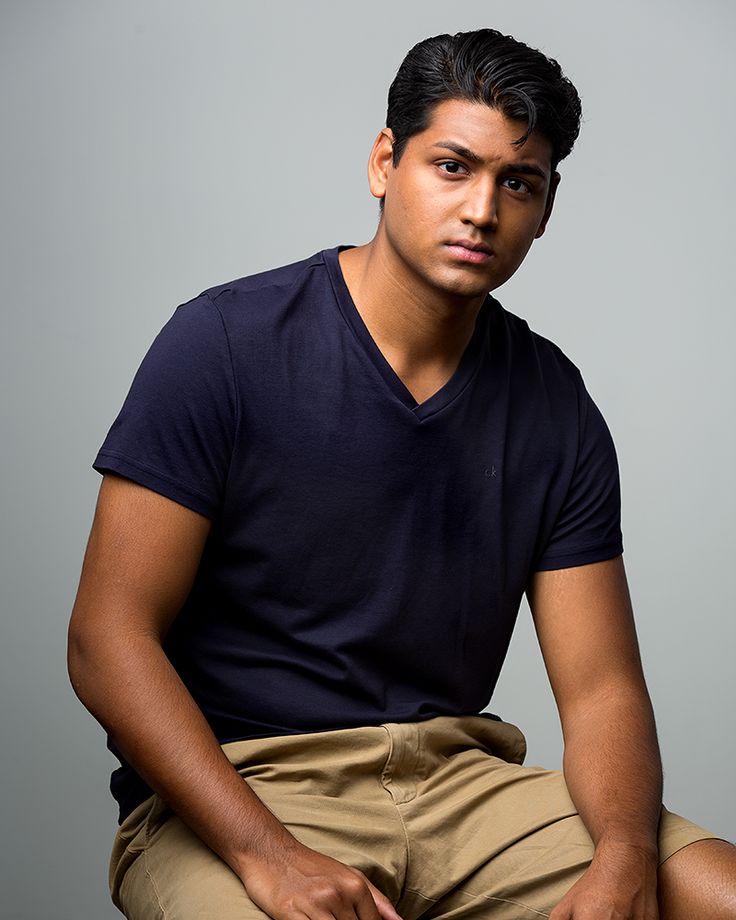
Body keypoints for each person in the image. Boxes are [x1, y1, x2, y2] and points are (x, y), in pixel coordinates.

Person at [68, 27, 735, 920]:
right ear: (386, 162)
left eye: (518, 183)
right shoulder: (224, 344)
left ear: (546, 205)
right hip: (243, 786)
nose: (482, 211)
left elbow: (602, 686)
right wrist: (269, 857)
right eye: (452, 167)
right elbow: (106, 639)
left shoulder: (554, 402)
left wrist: (622, 859)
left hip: (460, 784)